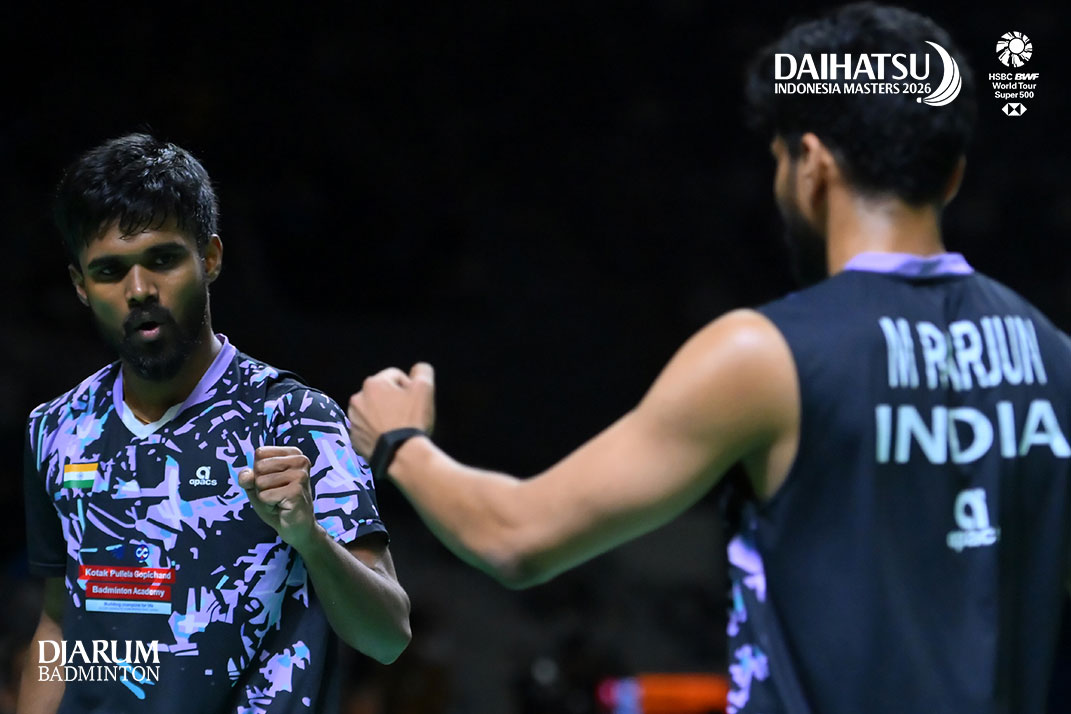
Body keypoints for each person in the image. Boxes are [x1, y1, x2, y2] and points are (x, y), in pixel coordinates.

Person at [346, 4, 1071, 713]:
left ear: (813, 167)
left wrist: (400, 443)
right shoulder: (1054, 356)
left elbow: (518, 538)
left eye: (780, 161)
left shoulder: (766, 356)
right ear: (952, 175)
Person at [19, 134, 410, 714]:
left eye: (162, 259)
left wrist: (310, 538)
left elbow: (387, 637)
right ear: (80, 285)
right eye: (110, 271)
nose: (139, 290)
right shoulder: (56, 430)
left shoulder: (295, 419)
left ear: (210, 257)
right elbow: (58, 621)